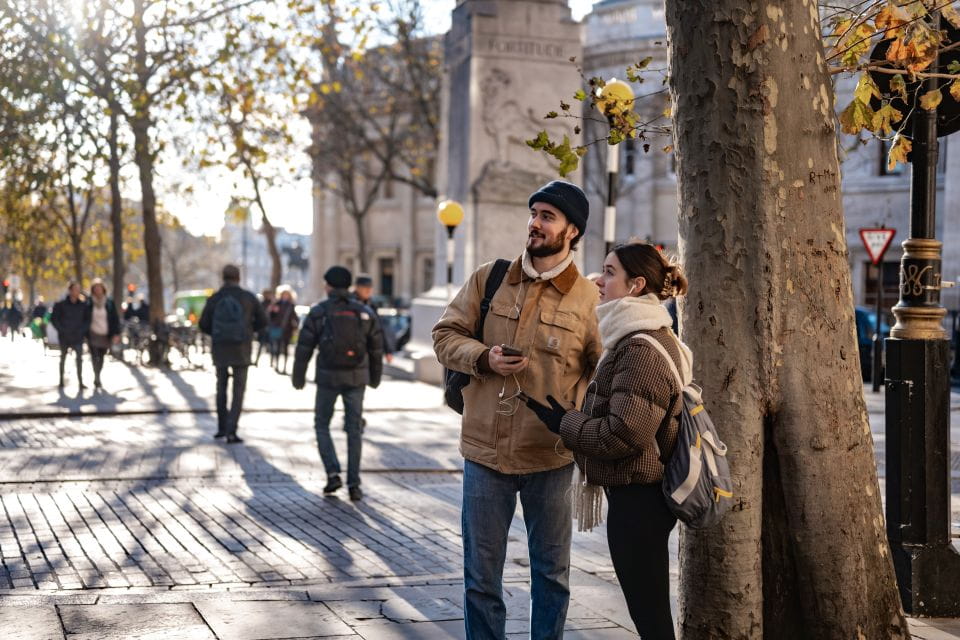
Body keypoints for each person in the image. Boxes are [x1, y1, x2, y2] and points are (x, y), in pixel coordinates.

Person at [432, 180, 602, 639]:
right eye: (534, 213)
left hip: (550, 456)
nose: (535, 222)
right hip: (484, 454)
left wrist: (580, 419)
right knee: (480, 579)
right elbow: (444, 335)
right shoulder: (491, 276)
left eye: (548, 216)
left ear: (572, 231)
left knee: (551, 576)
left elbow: (602, 373)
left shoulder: (589, 298)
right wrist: (482, 357)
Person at [525, 241, 692, 640]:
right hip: (640, 496)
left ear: (635, 285)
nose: (598, 280)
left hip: (641, 499)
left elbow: (624, 434)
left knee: (650, 614)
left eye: (609, 272)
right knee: (648, 608)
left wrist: (566, 423)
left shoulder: (640, 348)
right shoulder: (638, 336)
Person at [292, 266, 383, 502]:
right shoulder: (363, 312)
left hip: (328, 377)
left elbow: (304, 346)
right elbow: (376, 348)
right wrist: (375, 377)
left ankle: (333, 472)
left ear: (329, 286)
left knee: (322, 424)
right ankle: (354, 484)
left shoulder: (319, 312)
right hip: (356, 378)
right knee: (354, 430)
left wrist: (298, 376)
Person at [199, 264, 267, 444]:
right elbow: (263, 320)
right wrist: (249, 330)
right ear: (239, 277)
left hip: (220, 348)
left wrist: (218, 332)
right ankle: (232, 430)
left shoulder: (215, 298)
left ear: (223, 277)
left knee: (221, 388)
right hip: (242, 349)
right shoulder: (248, 298)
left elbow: (203, 324)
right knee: (238, 391)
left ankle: (221, 428)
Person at [51, 282, 91, 390]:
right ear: (70, 290)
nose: (77, 292)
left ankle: (80, 382)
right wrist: (61, 330)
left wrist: (82, 331)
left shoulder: (83, 305)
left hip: (78, 337)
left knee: (79, 360)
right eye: (75, 289)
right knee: (63, 358)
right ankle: (61, 381)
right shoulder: (61, 304)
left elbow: (87, 320)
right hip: (64, 336)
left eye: (78, 289)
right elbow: (54, 319)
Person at [86, 279, 122, 390]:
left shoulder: (109, 303)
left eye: (99, 288)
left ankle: (98, 374)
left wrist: (116, 333)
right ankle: (96, 377)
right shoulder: (89, 302)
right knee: (94, 356)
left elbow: (115, 319)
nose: (98, 290)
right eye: (95, 288)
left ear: (103, 289)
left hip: (105, 334)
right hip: (92, 333)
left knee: (101, 357)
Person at [353, 274, 397, 362]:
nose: (368, 290)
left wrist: (388, 351)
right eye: (365, 287)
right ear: (357, 288)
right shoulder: (350, 304)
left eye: (370, 287)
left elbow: (379, 328)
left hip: (371, 352)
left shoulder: (372, 305)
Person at [267, 286, 299, 374]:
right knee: (276, 347)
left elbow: (295, 317)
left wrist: (295, 326)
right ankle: (276, 364)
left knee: (285, 348)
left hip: (287, 330)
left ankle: (284, 367)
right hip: (277, 328)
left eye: (287, 294)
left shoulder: (291, 305)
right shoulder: (277, 303)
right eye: (284, 294)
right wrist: (272, 311)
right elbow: (270, 316)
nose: (285, 296)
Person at [255, 287, 275, 366]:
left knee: (272, 345)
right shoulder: (261, 303)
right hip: (263, 327)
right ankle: (256, 360)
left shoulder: (273, 304)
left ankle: (272, 363)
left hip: (271, 327)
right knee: (261, 345)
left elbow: (276, 316)